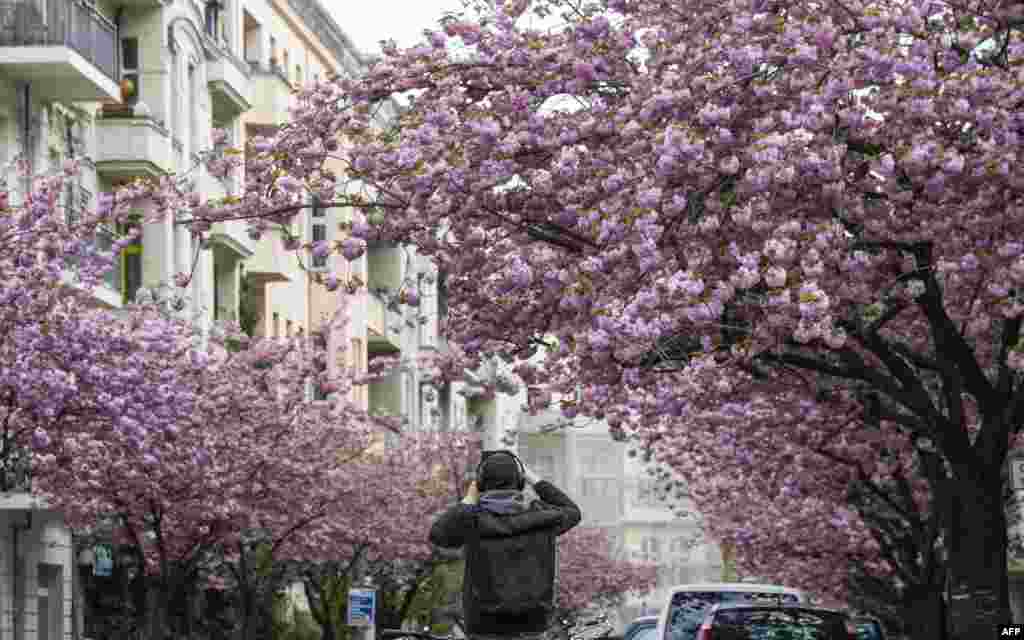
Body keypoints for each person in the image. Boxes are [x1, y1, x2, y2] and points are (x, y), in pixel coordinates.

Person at [430, 451, 582, 640]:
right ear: (520, 482)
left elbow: (438, 535)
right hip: (533, 626)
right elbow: (573, 511)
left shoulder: (472, 523)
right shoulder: (544, 519)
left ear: (480, 484)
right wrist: (534, 479)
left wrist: (469, 499)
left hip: (484, 627)